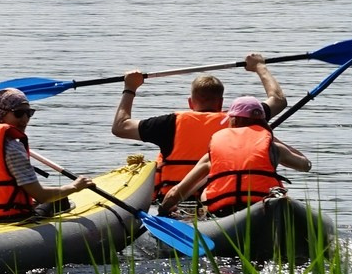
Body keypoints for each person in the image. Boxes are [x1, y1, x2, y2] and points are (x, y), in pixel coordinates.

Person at [110, 53, 288, 197]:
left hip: (175, 199)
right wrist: (259, 66)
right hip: (223, 197)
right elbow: (278, 100)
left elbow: (120, 126)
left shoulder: (169, 123)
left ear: (190, 102)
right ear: (221, 103)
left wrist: (130, 87)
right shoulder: (241, 119)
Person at [156, 97, 312, 216]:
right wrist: (273, 138)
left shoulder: (214, 151)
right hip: (264, 209)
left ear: (234, 120)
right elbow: (305, 165)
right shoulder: (274, 147)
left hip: (224, 213)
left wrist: (162, 211)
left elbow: (176, 193)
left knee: (205, 192)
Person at [0, 88, 87, 221]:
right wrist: (74, 187)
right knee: (60, 200)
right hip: (10, 216)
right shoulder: (14, 148)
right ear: (0, 114)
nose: (25, 119)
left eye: (29, 113)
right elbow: (41, 195)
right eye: (18, 113)